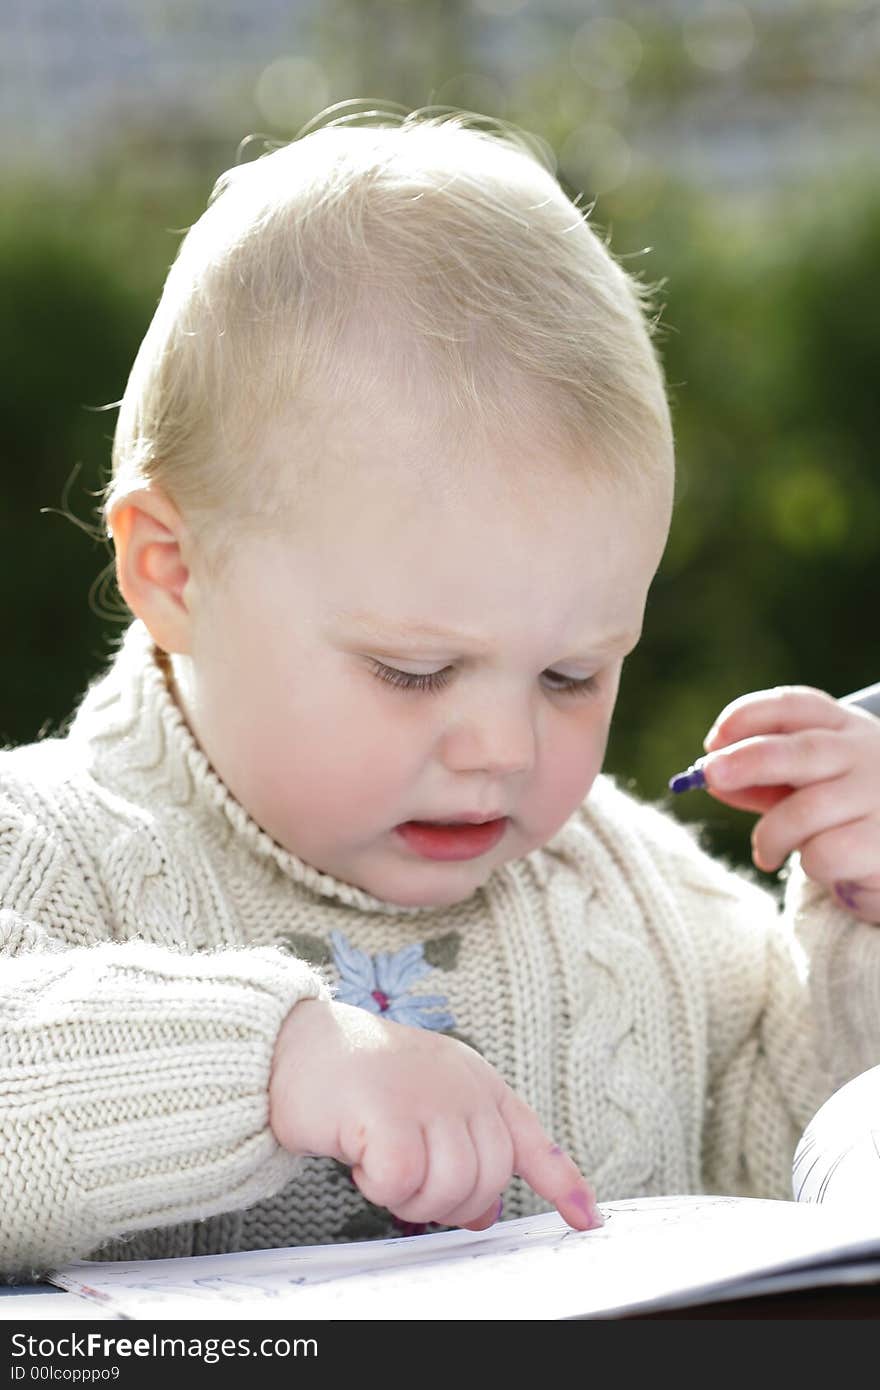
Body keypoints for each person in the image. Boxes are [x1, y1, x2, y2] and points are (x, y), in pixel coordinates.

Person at [3, 106, 880, 1283]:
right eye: (413, 671)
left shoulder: (646, 909)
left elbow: (795, 1198)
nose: (501, 748)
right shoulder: (46, 854)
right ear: (175, 570)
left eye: (572, 673)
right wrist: (276, 1062)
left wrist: (859, 920)